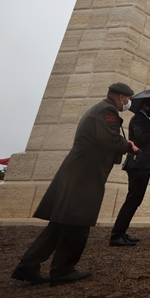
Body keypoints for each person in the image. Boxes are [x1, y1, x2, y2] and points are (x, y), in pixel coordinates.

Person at [12, 83, 137, 287]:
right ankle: (63, 270)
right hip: (85, 175)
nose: (129, 103)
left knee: (60, 224)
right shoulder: (107, 110)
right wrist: (127, 145)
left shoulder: (98, 109)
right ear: (122, 97)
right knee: (78, 223)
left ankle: (28, 265)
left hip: (77, 172)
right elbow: (108, 139)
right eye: (129, 98)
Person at [110, 97, 150, 246]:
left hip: (143, 164)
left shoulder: (144, 119)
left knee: (135, 200)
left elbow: (146, 139)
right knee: (132, 200)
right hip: (138, 164)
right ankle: (116, 235)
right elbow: (141, 138)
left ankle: (121, 232)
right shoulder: (137, 119)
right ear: (144, 105)